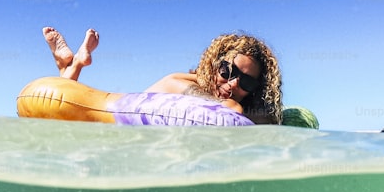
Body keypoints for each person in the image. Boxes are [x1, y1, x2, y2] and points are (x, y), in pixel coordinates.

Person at [42, 26, 283, 124]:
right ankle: (71, 67)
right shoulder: (181, 81)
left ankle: (71, 66)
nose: (232, 83)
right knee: (56, 111)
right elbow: (231, 111)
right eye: (227, 70)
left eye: (247, 81)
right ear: (214, 63)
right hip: (106, 121)